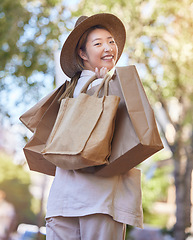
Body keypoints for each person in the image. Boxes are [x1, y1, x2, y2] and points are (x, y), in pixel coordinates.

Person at [45, 13, 143, 240]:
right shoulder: (111, 86)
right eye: (98, 43)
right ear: (82, 53)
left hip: (61, 203)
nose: (108, 47)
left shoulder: (67, 92)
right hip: (100, 201)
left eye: (111, 41)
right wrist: (107, 84)